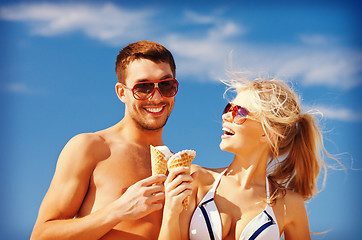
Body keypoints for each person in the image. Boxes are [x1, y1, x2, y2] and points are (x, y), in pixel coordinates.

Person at [31, 40, 191, 240]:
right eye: (143, 87)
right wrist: (118, 210)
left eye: (166, 85)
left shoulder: (180, 170)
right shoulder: (91, 148)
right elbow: (41, 235)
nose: (156, 97)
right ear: (122, 93)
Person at [160, 74, 330, 239]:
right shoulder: (195, 179)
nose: (225, 116)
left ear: (268, 133)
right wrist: (170, 212)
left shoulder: (290, 205)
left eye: (238, 112)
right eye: (228, 109)